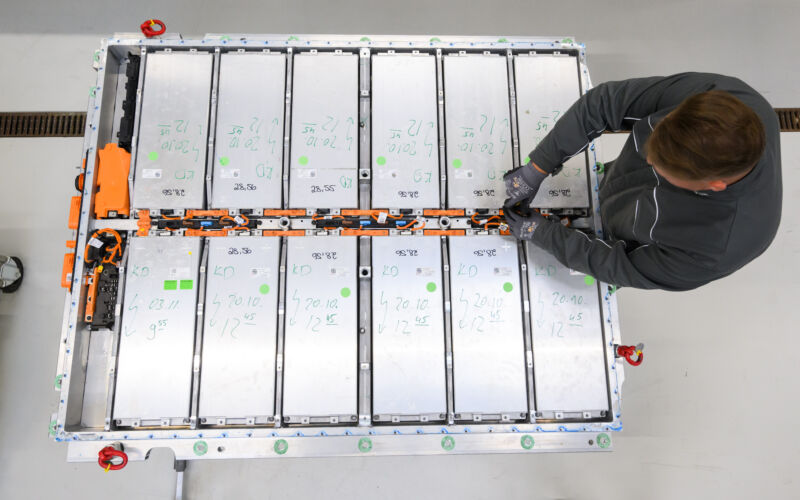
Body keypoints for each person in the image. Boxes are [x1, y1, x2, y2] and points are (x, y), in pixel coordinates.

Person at [503, 72, 782, 291]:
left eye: (661, 166)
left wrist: (544, 234)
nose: (647, 159)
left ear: (714, 184)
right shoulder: (724, 100)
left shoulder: (716, 250)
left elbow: (622, 266)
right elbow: (604, 103)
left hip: (618, 234)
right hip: (619, 189)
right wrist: (538, 167)